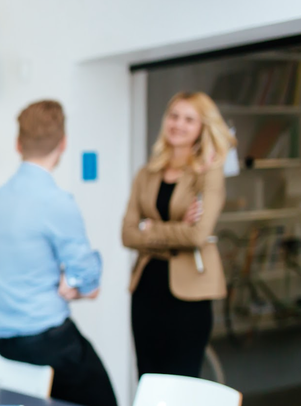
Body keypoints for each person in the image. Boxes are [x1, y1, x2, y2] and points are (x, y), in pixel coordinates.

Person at [0, 100, 117, 406]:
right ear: (63, 143)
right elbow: (89, 283)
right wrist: (76, 283)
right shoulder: (55, 202)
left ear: (18, 144)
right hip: (48, 343)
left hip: (3, 345)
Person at [122, 92, 235, 377]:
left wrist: (151, 229)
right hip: (147, 289)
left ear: (201, 127)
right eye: (174, 116)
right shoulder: (146, 173)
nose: (178, 124)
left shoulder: (207, 174)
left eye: (189, 119)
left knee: (181, 381)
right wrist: (176, 230)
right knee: (147, 376)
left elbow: (198, 235)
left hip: (189, 295)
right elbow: (127, 234)